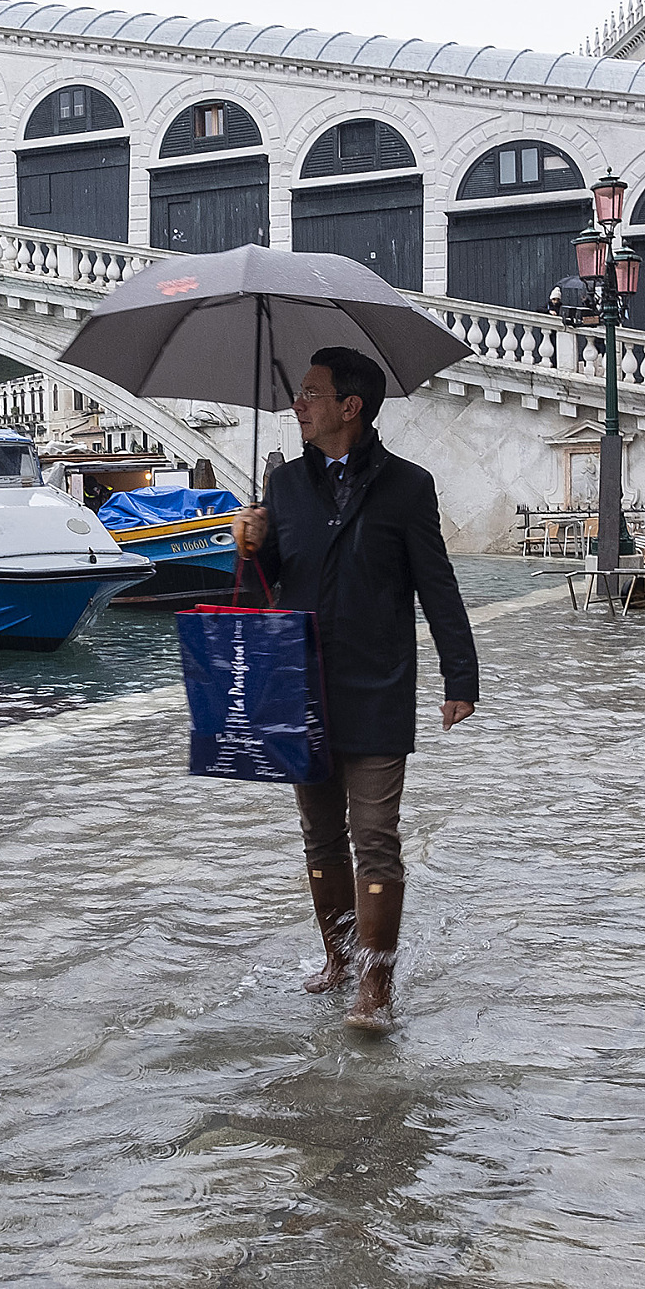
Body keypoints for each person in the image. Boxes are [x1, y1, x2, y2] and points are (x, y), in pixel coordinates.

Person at [236, 346, 479, 1034]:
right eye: (299, 392)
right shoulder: (282, 487)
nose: (298, 403)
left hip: (377, 683)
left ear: (352, 406)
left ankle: (376, 983)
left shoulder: (407, 485)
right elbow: (270, 584)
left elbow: (437, 583)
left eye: (311, 392)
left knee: (374, 836)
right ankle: (337, 958)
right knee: (319, 836)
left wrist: (460, 675)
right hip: (300, 685)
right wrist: (251, 546)